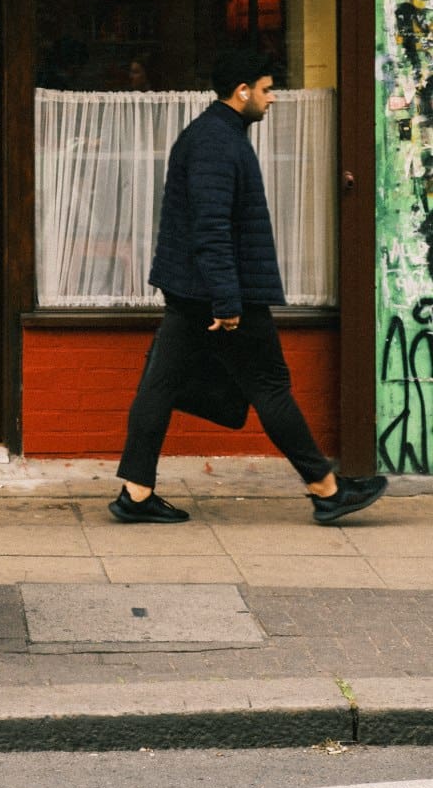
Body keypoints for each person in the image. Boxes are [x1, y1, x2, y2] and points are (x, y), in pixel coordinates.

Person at [110, 48, 389, 525]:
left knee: (160, 384)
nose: (272, 98)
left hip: (196, 290)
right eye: (266, 89)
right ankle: (326, 489)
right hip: (218, 294)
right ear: (242, 92)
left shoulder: (217, 134)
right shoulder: (217, 142)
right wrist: (228, 300)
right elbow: (211, 226)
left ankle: (135, 495)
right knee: (271, 387)